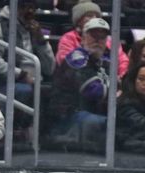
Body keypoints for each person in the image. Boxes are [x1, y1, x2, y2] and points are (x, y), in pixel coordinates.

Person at [45, 17, 111, 152]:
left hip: (89, 113)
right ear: (83, 38)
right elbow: (92, 91)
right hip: (67, 118)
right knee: (105, 124)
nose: (98, 40)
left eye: (102, 36)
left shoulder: (104, 62)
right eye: (94, 35)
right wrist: (116, 92)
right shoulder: (76, 58)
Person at [55, 1, 129, 79]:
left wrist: (121, 78)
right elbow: (66, 63)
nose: (94, 18)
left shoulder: (111, 41)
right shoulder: (68, 38)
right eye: (89, 16)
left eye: (97, 16)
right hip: (78, 81)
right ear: (79, 20)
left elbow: (123, 61)